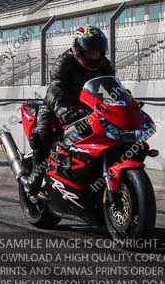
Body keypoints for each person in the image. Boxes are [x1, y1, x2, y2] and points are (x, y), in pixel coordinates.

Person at [20, 25, 114, 195]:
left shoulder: (104, 65)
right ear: (79, 49)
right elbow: (55, 88)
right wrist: (61, 109)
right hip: (60, 105)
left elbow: (110, 87)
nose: (95, 55)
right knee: (43, 134)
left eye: (98, 51)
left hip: (88, 108)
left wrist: (122, 101)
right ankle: (35, 177)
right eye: (91, 51)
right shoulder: (65, 61)